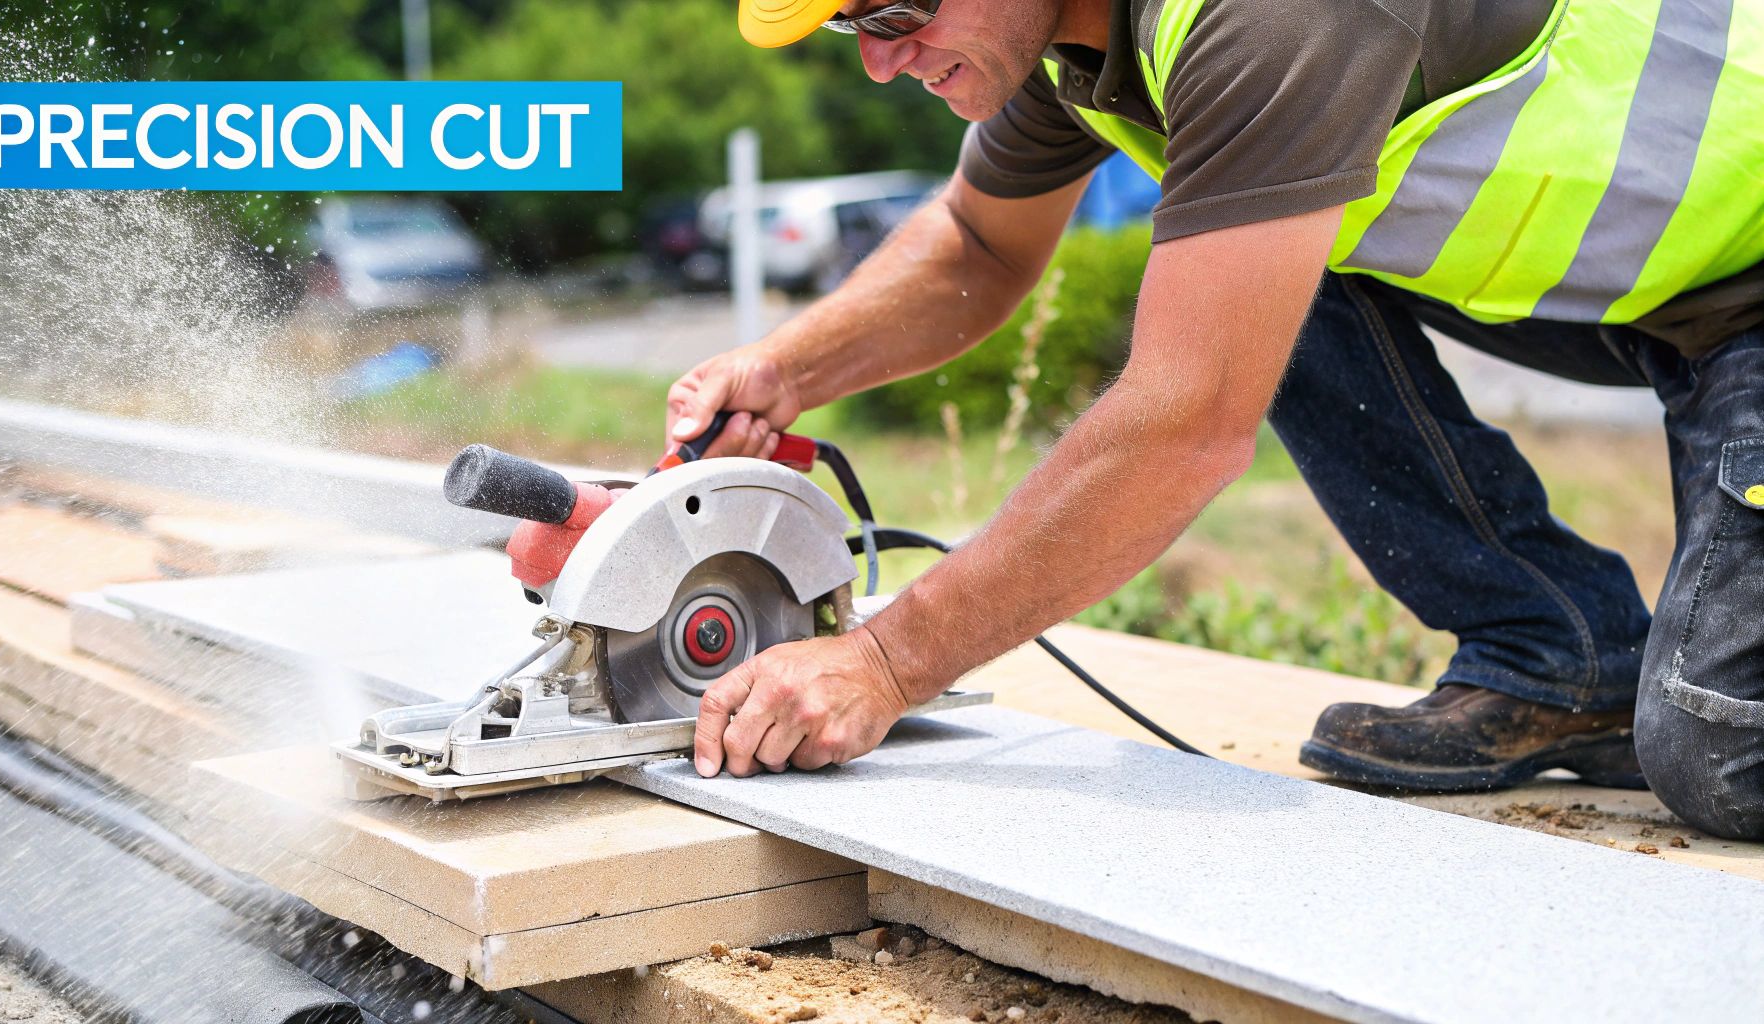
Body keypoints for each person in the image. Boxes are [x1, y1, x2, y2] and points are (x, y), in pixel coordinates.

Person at [669, 0, 1764, 840]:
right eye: (854, 24)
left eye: (895, 10)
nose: (877, 56)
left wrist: (887, 662)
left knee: (1715, 753)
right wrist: (782, 367)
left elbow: (1184, 419)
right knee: (1245, 253)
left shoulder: (1264, 18)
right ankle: (1562, 651)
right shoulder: (1074, 49)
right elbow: (976, 242)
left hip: (1746, 276)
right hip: (1661, 291)